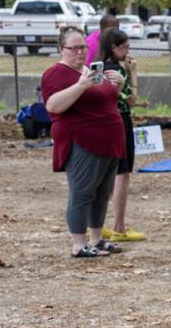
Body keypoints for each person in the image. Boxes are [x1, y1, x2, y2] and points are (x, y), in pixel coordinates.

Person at [41, 26, 126, 258]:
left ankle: (96, 239)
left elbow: (105, 101)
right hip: (82, 142)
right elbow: (53, 106)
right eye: (73, 48)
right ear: (61, 49)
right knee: (82, 192)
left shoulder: (90, 70)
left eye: (83, 47)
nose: (79, 52)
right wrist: (80, 85)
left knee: (101, 193)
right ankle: (79, 244)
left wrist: (117, 84)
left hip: (108, 142)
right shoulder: (55, 74)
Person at [98, 29, 146, 243]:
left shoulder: (101, 68)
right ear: (113, 48)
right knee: (121, 174)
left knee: (109, 174)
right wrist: (133, 73)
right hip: (119, 122)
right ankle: (118, 226)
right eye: (124, 47)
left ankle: (98, 223)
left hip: (106, 123)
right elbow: (132, 99)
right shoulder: (116, 71)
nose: (128, 51)